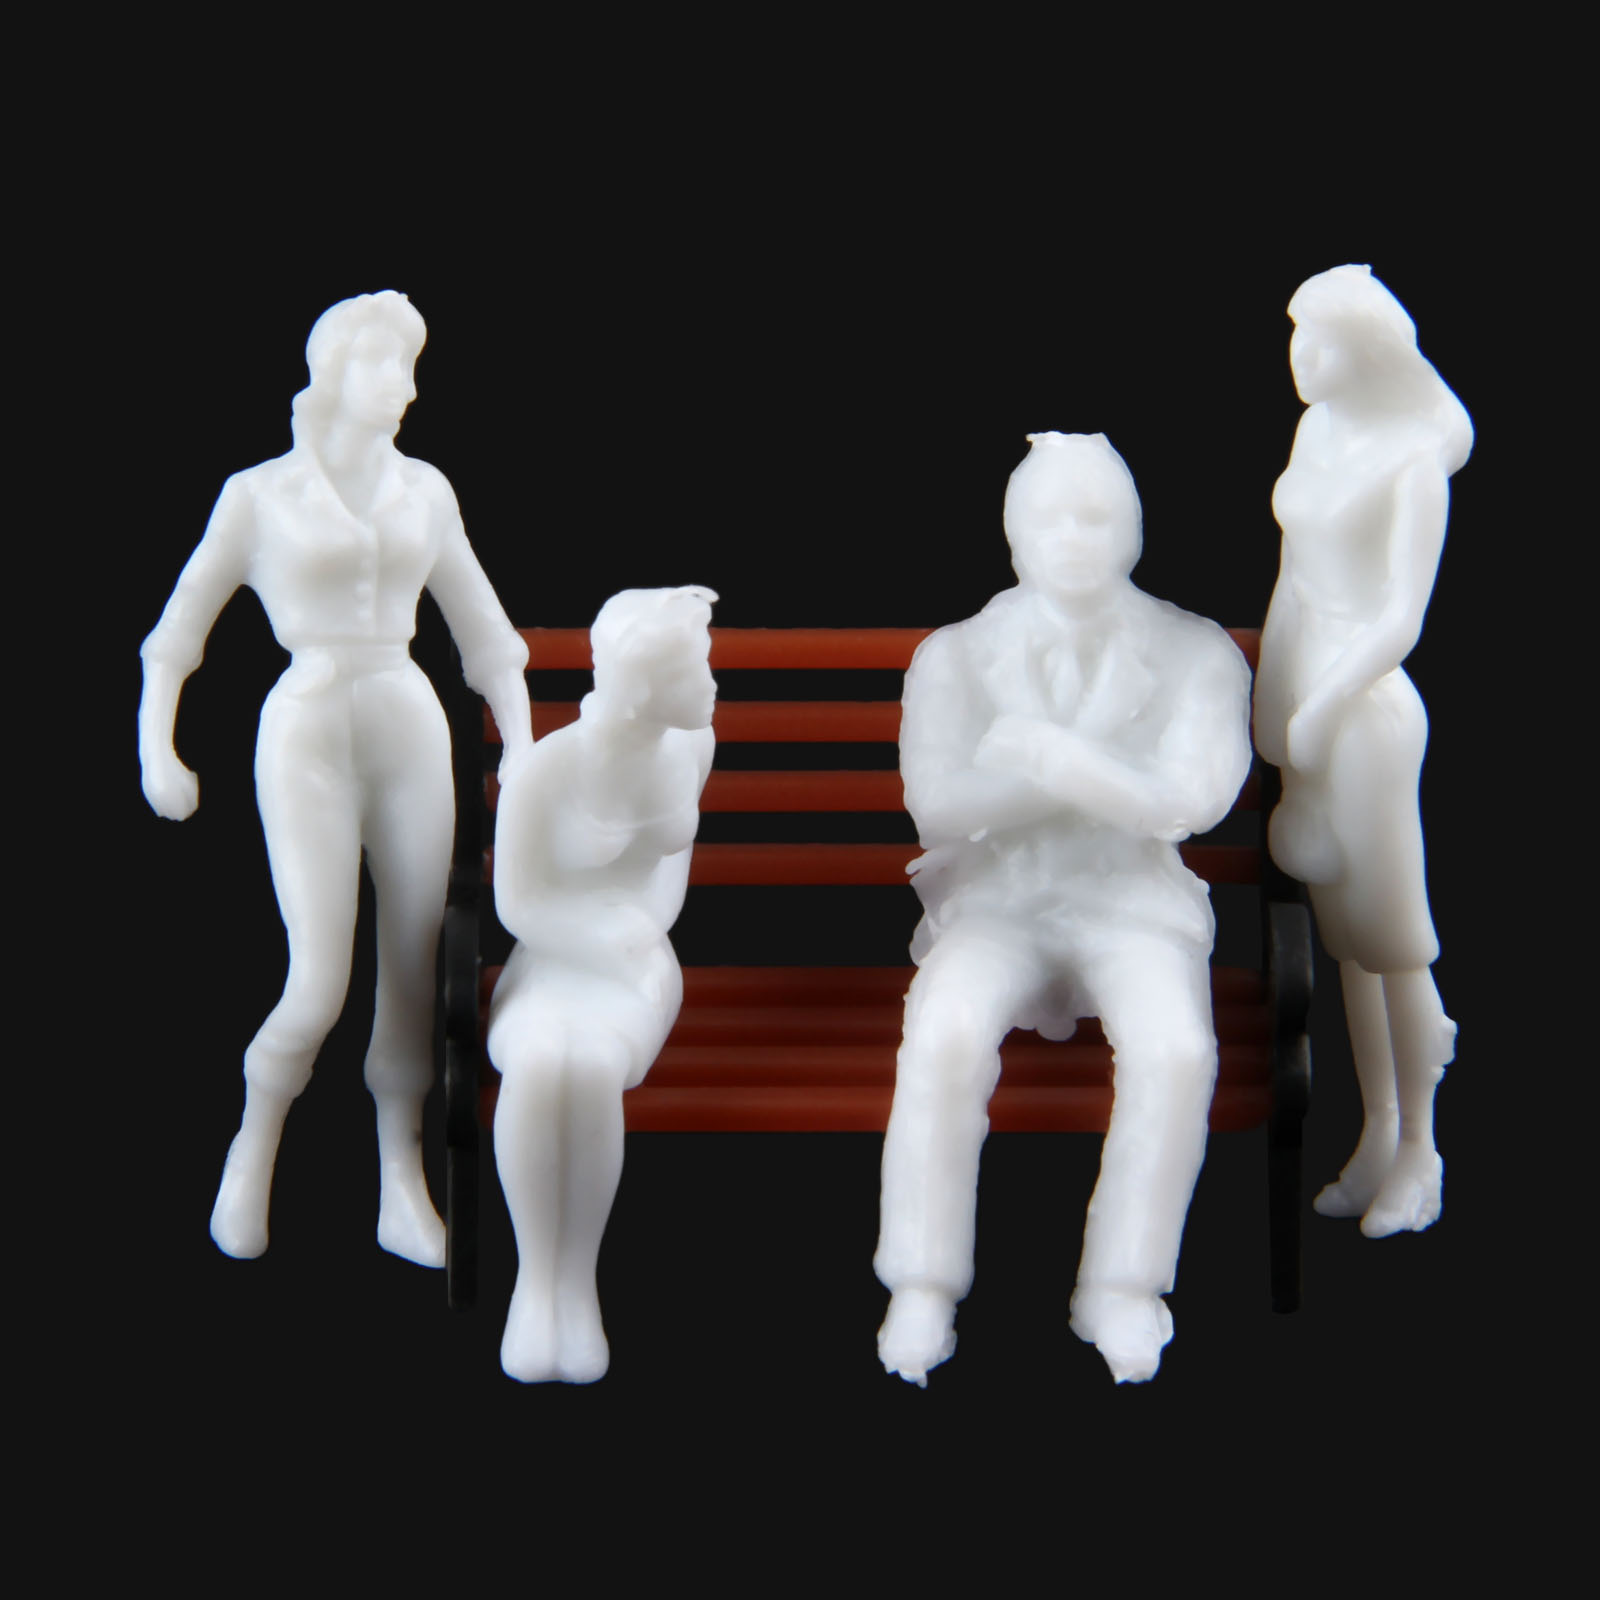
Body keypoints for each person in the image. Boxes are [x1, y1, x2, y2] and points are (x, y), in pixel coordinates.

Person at [138, 291, 532, 1266]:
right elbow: (176, 634)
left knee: (413, 969)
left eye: (411, 367)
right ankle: (254, 1143)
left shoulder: (425, 491)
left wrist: (522, 747)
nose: (405, 387)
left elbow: (485, 633)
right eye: (386, 364)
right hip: (307, 727)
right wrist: (158, 748)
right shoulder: (258, 495)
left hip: (407, 722)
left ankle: (400, 1179)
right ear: (335, 370)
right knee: (317, 980)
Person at [875, 431, 1251, 1385]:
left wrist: (1050, 756)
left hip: (1132, 904)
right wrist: (1097, 783)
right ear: (1016, 534)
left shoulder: (1196, 653)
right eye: (1051, 518)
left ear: (1134, 529)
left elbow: (1192, 800)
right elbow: (938, 804)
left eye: (1097, 517)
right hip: (1000, 900)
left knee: (1175, 1050)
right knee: (944, 1031)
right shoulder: (956, 655)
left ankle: (1124, 1284)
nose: (1075, 538)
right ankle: (921, 1280)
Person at [1254, 264, 1471, 1238]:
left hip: (1368, 712)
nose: (1303, 358)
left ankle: (1423, 1147)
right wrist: (1276, 708)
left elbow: (1399, 617)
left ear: (1370, 350)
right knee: (1344, 942)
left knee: (1392, 938)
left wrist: (1325, 704)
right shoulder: (1316, 434)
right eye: (1295, 336)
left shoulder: (1411, 461)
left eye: (1324, 341)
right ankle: (1377, 1128)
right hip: (1306, 698)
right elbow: (1290, 579)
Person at [487, 585, 716, 1383]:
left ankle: (575, 1284)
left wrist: (636, 937)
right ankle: (533, 1284)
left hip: (638, 960)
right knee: (539, 1062)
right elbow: (518, 904)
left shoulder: (690, 749)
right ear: (642, 684)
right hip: (551, 957)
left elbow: (666, 884)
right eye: (695, 670)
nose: (711, 685)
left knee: (588, 1066)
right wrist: (593, 940)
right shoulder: (548, 771)